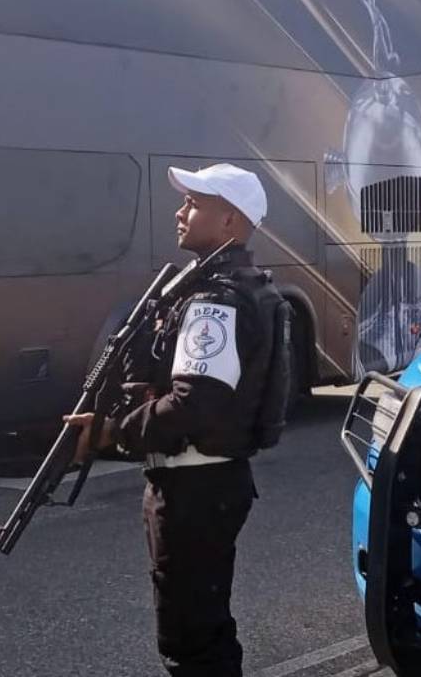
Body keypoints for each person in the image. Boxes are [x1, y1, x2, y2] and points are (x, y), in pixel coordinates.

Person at [67, 162, 288, 677]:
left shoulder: (215, 301)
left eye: (194, 203)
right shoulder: (218, 286)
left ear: (230, 220)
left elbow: (193, 405)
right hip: (203, 483)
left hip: (197, 487)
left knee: (191, 641)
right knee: (201, 628)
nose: (180, 212)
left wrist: (110, 433)